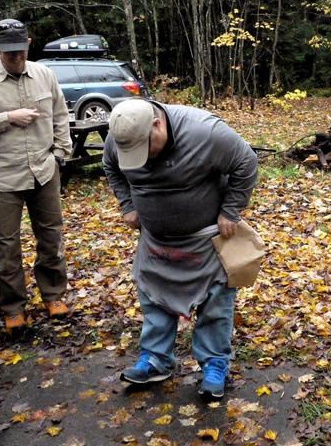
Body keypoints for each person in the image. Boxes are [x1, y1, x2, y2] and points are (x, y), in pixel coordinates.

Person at [103, 98, 257, 398]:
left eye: (145, 148)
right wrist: (127, 205)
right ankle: (155, 359)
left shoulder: (205, 132)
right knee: (153, 299)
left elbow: (246, 162)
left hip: (205, 238)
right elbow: (111, 167)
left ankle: (214, 363)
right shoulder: (121, 134)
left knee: (215, 301)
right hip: (156, 240)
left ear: (157, 124)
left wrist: (231, 210)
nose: (142, 159)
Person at [0, 19, 72, 333]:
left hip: (44, 171)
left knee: (51, 237)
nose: (16, 57)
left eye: (20, 50)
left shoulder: (45, 75)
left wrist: (60, 153)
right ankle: (13, 307)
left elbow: (61, 115)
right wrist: (7, 118)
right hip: (2, 176)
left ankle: (54, 295)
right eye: (9, 52)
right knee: (5, 246)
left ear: (29, 44)